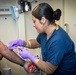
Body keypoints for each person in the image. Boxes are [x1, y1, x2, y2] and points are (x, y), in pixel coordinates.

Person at [8, 3, 76, 75]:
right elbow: (37, 42)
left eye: (34, 21)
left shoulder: (58, 40)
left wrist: (30, 56)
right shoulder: (45, 32)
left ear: (43, 20)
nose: (33, 25)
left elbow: (49, 69)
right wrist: (23, 43)